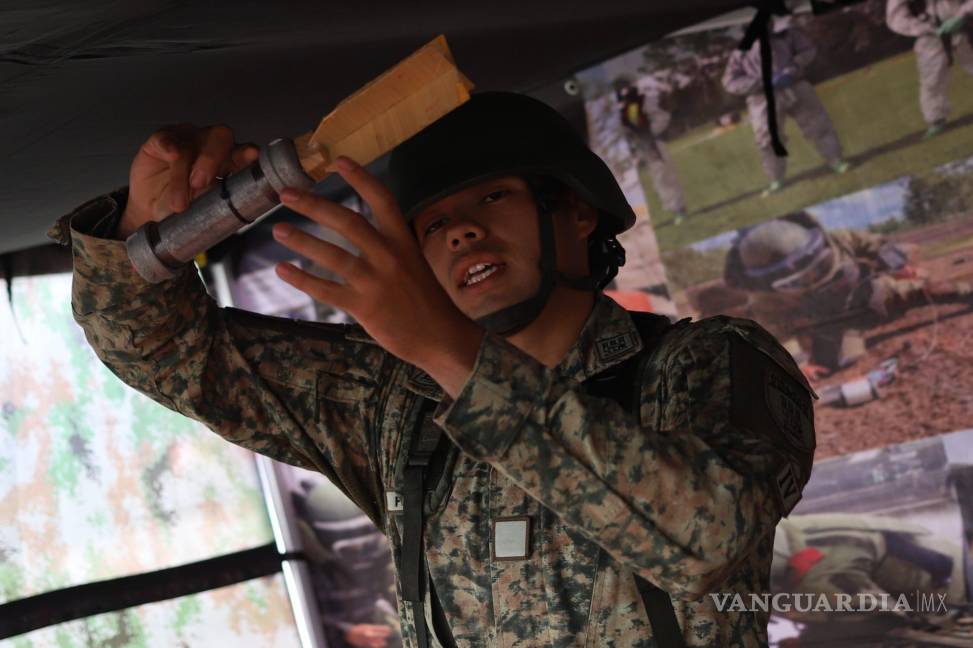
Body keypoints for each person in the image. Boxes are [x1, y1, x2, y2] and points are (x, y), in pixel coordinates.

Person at [50, 92, 817, 647]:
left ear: (577, 212)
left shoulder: (704, 361)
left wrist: (451, 351)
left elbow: (710, 539)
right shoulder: (389, 397)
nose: (463, 232)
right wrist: (147, 242)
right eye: (432, 224)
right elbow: (168, 354)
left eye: (493, 196)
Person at [723, 211, 973, 380]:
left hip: (869, 295)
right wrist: (798, 363)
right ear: (769, 284)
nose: (813, 278)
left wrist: (897, 265)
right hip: (830, 327)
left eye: (816, 265)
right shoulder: (764, 300)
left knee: (928, 289)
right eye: (800, 279)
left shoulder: (841, 240)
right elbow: (777, 332)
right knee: (843, 360)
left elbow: (875, 243)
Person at [771, 512, 970, 644]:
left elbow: (882, 623)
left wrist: (806, 643)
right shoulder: (781, 531)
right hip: (938, 563)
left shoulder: (820, 577)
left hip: (953, 596)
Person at [721, 16, 851, 197]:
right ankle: (776, 179)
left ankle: (836, 160)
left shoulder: (788, 35)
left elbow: (808, 50)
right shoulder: (740, 52)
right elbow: (729, 82)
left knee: (818, 124)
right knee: (767, 139)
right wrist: (761, 82)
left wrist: (793, 67)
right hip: (763, 97)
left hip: (795, 85)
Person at [292, 477, 402, 648]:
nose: (362, 554)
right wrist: (347, 634)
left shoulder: (399, 558)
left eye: (368, 545)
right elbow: (309, 623)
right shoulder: (314, 576)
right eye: (350, 549)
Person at [887, 0, 973, 139]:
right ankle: (936, 119)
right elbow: (895, 17)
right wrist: (922, 28)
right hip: (930, 34)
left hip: (964, 24)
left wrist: (963, 15)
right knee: (932, 79)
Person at [614, 77, 689, 224]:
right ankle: (672, 208)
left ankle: (678, 209)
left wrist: (650, 135)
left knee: (664, 176)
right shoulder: (623, 110)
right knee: (654, 181)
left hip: (653, 145)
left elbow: (662, 117)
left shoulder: (641, 102)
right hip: (640, 148)